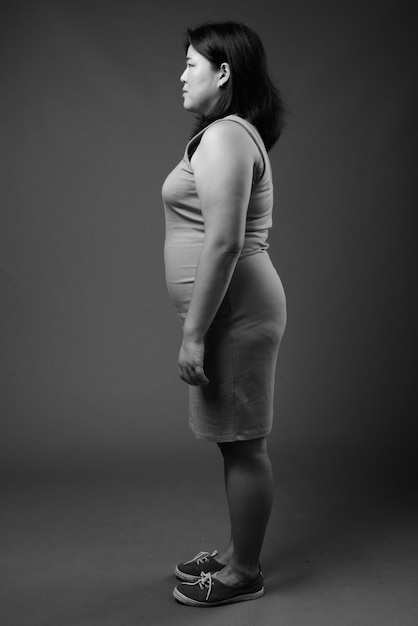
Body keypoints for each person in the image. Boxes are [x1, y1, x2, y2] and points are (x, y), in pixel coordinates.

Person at [162, 21, 287, 607]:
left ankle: (245, 574)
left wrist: (193, 336)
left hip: (233, 317)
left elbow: (223, 242)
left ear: (224, 72)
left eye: (191, 64)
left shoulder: (227, 137)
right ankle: (239, 554)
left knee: (243, 444)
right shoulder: (224, 134)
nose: (182, 75)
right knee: (234, 442)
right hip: (229, 314)